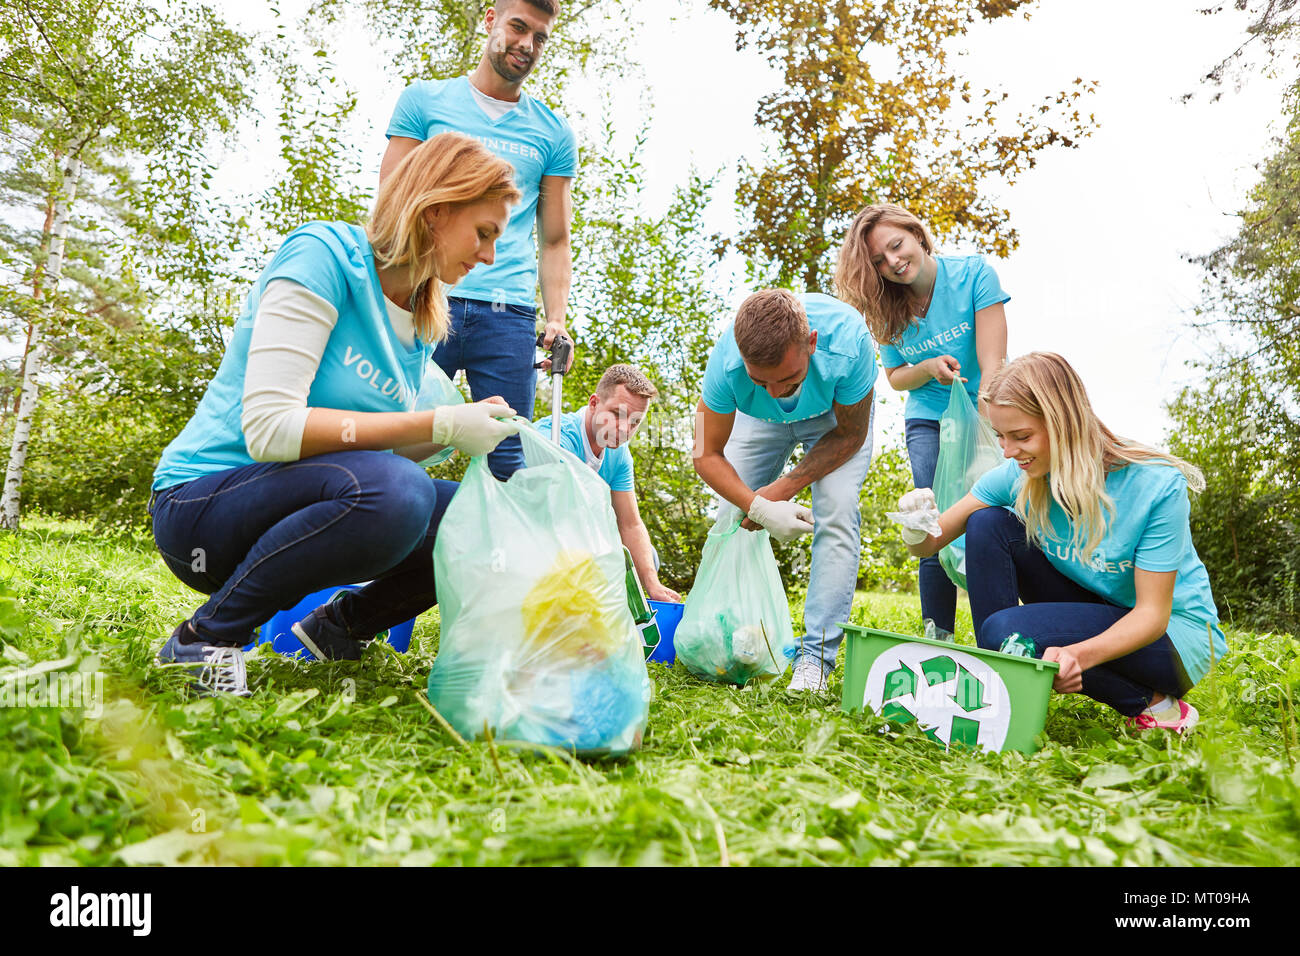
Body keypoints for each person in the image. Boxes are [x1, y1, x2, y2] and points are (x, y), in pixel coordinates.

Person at [149, 132, 522, 696]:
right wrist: (438, 425)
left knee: (480, 517)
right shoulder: (324, 256)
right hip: (200, 507)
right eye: (484, 232)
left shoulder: (420, 324)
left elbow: (364, 453)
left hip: (291, 507)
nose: (490, 255)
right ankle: (203, 640)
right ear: (437, 210)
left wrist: (459, 434)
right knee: (401, 491)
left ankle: (336, 631)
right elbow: (271, 429)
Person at [894, 352, 1225, 732]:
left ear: (1065, 424)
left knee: (1008, 635)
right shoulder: (1018, 475)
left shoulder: (1155, 485)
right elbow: (930, 544)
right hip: (1099, 609)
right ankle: (1004, 690)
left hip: (1173, 641)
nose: (1008, 451)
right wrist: (916, 525)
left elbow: (1152, 615)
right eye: (1001, 437)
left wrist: (1076, 656)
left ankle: (1157, 703)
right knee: (986, 522)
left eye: (1022, 436)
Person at [381, 0, 577, 481]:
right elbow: (390, 205)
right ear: (490, 20)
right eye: (518, 27)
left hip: (507, 315)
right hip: (427, 298)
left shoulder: (553, 133)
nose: (527, 45)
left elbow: (554, 240)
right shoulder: (424, 103)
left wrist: (556, 318)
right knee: (395, 440)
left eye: (540, 37)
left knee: (507, 459)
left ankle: (499, 558)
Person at [836, 203, 1008, 642]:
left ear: (917, 234)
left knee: (995, 516)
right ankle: (939, 637)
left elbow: (994, 366)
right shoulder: (885, 309)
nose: (892, 262)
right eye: (879, 260)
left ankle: (1005, 633)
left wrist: (984, 438)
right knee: (929, 517)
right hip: (929, 419)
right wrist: (929, 366)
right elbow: (895, 378)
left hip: (986, 411)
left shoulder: (974, 276)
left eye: (896, 246)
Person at [694, 289, 878, 692]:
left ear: (810, 343)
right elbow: (705, 455)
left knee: (838, 511)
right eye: (760, 380)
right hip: (757, 422)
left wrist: (778, 492)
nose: (776, 392)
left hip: (833, 421)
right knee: (732, 515)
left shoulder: (850, 344)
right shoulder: (726, 366)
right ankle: (727, 640)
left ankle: (815, 659)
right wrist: (755, 507)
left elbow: (851, 435)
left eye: (788, 379)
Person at [536, 363, 682, 603]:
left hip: (580, 547)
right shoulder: (555, 436)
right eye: (618, 414)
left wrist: (652, 584)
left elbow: (630, 525)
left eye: (635, 422)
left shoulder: (619, 454)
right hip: (536, 543)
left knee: (646, 561)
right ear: (594, 403)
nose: (625, 429)